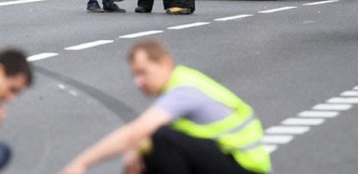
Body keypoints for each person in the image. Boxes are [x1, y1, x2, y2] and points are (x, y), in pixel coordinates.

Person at [60, 39, 272, 174]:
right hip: (230, 163)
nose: (138, 82)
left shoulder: (183, 89)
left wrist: (81, 164)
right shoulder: (182, 82)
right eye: (135, 75)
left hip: (247, 168)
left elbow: (135, 131)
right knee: (152, 144)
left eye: (143, 72)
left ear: (164, 63)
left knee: (161, 138)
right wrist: (138, 148)